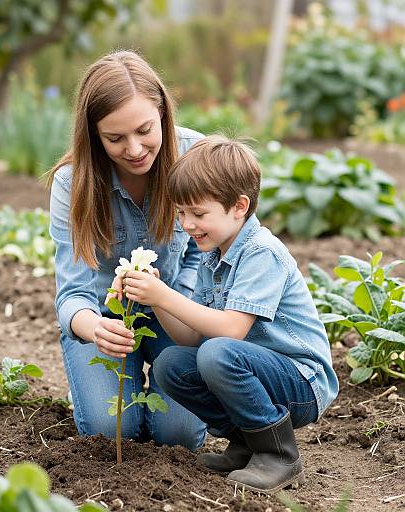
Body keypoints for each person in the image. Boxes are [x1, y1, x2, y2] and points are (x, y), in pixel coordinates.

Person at [121, 135, 339, 493]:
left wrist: (166, 296)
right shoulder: (213, 256)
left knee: (217, 352)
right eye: (181, 213)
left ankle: (278, 454)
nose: (187, 224)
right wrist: (158, 299)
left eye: (198, 213)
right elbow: (191, 337)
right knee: (170, 364)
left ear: (239, 206)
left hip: (302, 382)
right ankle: (247, 445)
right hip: (257, 374)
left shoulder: (260, 253)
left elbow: (231, 331)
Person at [47, 50, 207, 450]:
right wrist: (94, 327)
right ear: (94, 135)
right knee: (111, 430)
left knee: (180, 436)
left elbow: (207, 253)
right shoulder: (74, 183)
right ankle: (105, 383)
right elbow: (72, 294)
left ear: (163, 113)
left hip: (178, 314)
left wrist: (171, 298)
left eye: (144, 130)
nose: (134, 149)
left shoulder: (194, 157)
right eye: (115, 138)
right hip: (106, 320)